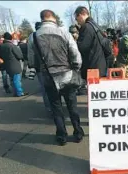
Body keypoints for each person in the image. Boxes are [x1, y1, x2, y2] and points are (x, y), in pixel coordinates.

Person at [27, 10, 84, 146]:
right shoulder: (64, 32)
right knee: (72, 106)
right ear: (53, 18)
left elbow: (31, 60)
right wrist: (75, 68)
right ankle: (77, 132)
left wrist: (39, 69)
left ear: (42, 19)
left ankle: (61, 135)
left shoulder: (33, 36)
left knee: (56, 107)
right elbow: (76, 55)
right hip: (67, 75)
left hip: (48, 78)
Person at [74, 6, 107, 80]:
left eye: (76, 18)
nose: (77, 21)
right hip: (101, 65)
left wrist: (76, 42)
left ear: (80, 15)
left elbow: (82, 47)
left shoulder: (86, 27)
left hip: (92, 68)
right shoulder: (95, 25)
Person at [28, 22, 52, 115]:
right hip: (54, 65)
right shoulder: (51, 32)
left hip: (40, 67)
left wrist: (32, 65)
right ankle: (57, 106)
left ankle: (49, 109)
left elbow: (30, 53)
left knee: (45, 89)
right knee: (56, 87)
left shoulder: (32, 36)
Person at [0, 32, 28, 97]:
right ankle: (19, 93)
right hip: (15, 65)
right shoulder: (12, 46)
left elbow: (0, 56)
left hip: (7, 66)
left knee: (12, 80)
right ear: (10, 38)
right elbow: (19, 56)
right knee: (17, 80)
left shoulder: (1, 46)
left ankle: (15, 92)